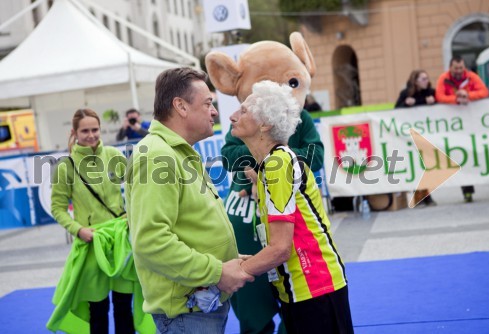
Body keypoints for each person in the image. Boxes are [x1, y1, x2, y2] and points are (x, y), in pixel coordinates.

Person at [125, 67, 254, 334]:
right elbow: (151, 241)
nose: (215, 111)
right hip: (188, 312)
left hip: (199, 305)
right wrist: (218, 271)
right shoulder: (156, 156)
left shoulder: (175, 151)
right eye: (207, 103)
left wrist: (227, 259)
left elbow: (189, 224)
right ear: (180, 106)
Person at [230, 80, 353, 334]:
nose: (232, 116)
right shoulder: (271, 164)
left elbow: (280, 248)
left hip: (314, 287)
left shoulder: (278, 163)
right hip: (300, 289)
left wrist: (235, 273)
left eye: (243, 111)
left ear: (265, 124)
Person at [222, 98, 324, 333]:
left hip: (290, 229)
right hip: (246, 217)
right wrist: (260, 153)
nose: (233, 116)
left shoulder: (298, 116)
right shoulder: (246, 116)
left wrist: (272, 157)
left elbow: (316, 156)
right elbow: (228, 156)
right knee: (252, 315)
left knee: (298, 308)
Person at [49, 108, 138, 334]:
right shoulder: (64, 167)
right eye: (85, 130)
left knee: (123, 307)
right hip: (90, 244)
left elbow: (136, 189)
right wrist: (78, 230)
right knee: (97, 310)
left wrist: (131, 215)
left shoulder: (113, 155)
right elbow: (58, 208)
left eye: (95, 129)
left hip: (120, 241)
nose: (91, 135)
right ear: (75, 132)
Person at [436, 55, 489, 203]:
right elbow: (439, 96)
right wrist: (456, 99)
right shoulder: (443, 78)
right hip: (454, 125)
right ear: (450, 68)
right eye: (456, 68)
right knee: (460, 156)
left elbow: (484, 92)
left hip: (473, 123)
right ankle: (467, 190)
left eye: (461, 68)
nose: (459, 71)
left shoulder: (471, 77)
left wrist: (468, 95)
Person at [395, 69, 437, 207]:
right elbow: (396, 110)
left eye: (427, 78)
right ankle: (422, 195)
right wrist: (406, 104)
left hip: (428, 133)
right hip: (411, 135)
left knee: (426, 164)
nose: (426, 81)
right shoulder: (406, 93)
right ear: (416, 81)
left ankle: (424, 195)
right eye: (423, 79)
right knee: (417, 164)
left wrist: (430, 101)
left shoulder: (431, 92)